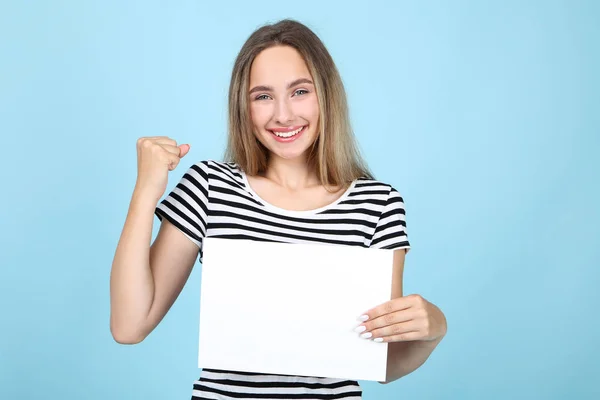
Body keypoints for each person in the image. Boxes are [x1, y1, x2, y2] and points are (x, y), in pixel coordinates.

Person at [110, 18, 447, 400]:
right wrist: (145, 191)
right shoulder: (209, 187)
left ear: (326, 95)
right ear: (244, 106)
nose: (283, 115)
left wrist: (432, 331)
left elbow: (378, 362)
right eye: (263, 96)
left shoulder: (378, 204)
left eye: (300, 91)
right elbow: (129, 326)